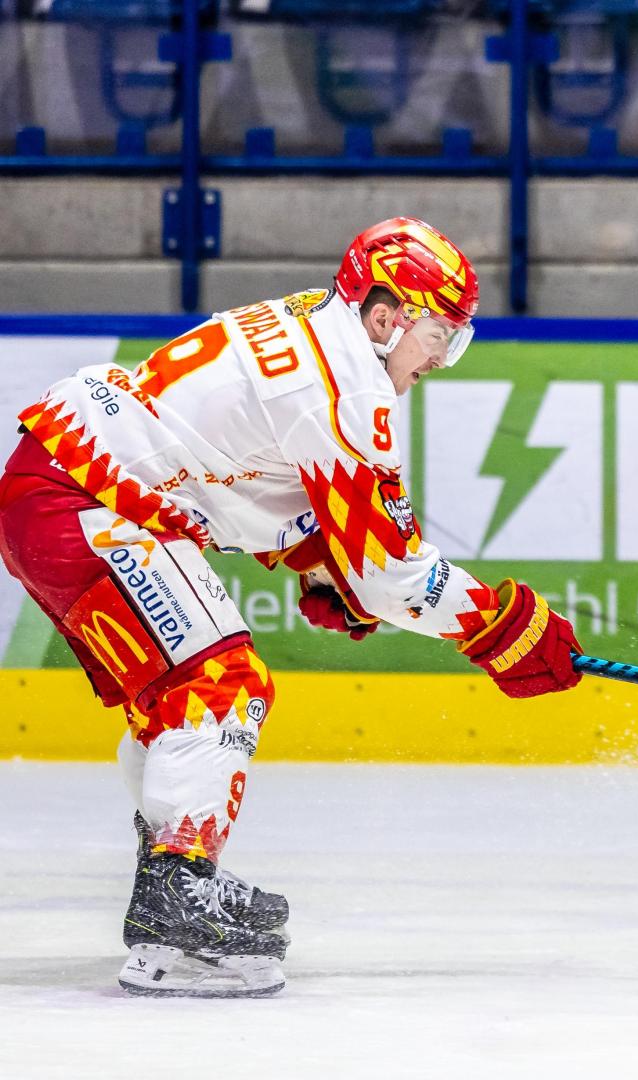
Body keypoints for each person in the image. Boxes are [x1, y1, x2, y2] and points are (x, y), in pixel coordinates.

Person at [0, 217, 583, 998]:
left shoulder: (319, 322)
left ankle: (173, 881)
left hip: (61, 487)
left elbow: (240, 465)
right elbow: (391, 574)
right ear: (387, 317)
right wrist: (504, 628)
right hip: (83, 504)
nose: (440, 360)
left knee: (173, 702)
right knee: (219, 687)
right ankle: (178, 896)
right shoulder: (346, 390)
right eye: (439, 335)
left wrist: (320, 564)